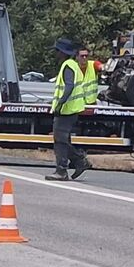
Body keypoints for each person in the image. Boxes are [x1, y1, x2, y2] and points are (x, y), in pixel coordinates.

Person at [46, 38, 91, 181]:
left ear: (62, 52)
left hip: (67, 110)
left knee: (60, 140)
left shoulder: (68, 65)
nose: (56, 54)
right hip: (71, 109)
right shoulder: (74, 65)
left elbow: (69, 86)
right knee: (63, 140)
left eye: (57, 51)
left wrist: (60, 103)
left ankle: (62, 170)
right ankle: (79, 162)